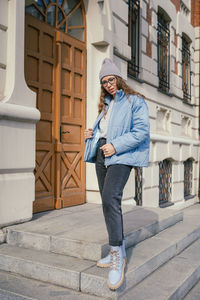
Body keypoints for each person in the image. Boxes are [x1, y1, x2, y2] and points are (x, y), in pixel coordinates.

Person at [84, 58, 150, 290]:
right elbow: (106, 132)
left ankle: (116, 258)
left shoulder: (135, 101)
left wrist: (116, 146)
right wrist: (92, 134)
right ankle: (118, 250)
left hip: (121, 155)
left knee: (111, 198)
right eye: (104, 82)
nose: (108, 84)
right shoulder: (106, 105)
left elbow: (141, 131)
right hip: (102, 154)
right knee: (107, 203)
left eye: (111, 79)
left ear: (118, 78)